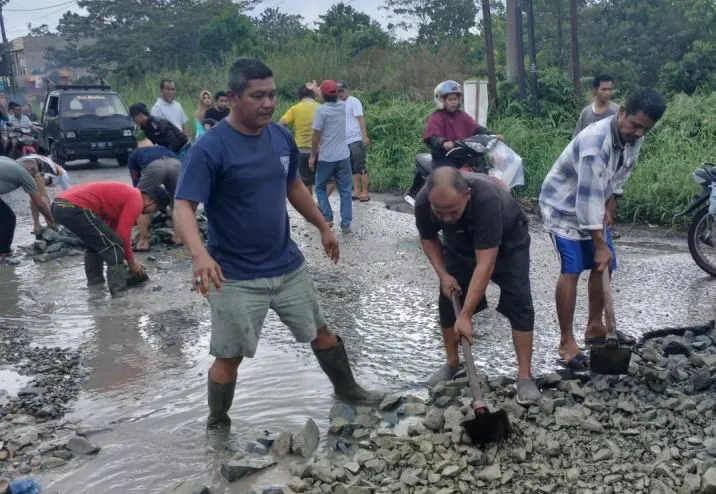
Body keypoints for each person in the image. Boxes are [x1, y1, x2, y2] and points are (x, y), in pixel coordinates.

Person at [173, 57, 384, 446]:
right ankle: (218, 421)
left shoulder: (280, 138)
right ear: (233, 98)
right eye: (258, 96)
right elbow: (183, 205)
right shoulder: (210, 148)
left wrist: (323, 226)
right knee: (229, 355)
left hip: (287, 265)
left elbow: (294, 188)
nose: (268, 103)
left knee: (321, 331)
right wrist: (199, 255)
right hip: (233, 273)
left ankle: (348, 389)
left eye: (272, 94)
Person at [539, 87, 666, 370]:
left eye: (646, 128)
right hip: (563, 206)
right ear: (622, 112)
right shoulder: (596, 143)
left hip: (594, 202)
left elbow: (620, 175)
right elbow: (586, 198)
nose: (639, 133)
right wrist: (599, 244)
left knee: (605, 265)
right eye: (635, 125)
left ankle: (595, 326)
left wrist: (610, 208)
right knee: (572, 268)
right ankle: (566, 341)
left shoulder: (634, 136)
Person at [414, 167, 540, 404]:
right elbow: (429, 238)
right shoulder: (423, 201)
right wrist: (443, 275)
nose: (446, 218)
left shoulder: (487, 199)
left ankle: (524, 375)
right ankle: (452, 363)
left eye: (453, 211)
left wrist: (466, 315)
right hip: (459, 243)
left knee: (519, 301)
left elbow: (485, 264)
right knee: (448, 298)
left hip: (509, 242)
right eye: (439, 212)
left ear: (467, 195)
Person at [52, 182, 171, 295]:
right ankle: (119, 296)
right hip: (73, 206)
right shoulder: (136, 199)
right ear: (151, 200)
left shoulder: (124, 197)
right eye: (155, 209)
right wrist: (131, 263)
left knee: (97, 244)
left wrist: (122, 259)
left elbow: (112, 233)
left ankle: (95, 289)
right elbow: (123, 236)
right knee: (114, 246)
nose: (152, 213)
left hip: (59, 205)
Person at [424, 81, 503, 169]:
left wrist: (492, 135)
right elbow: (433, 136)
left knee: (484, 168)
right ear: (442, 100)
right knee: (449, 179)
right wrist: (443, 142)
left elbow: (476, 128)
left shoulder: (462, 115)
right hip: (444, 158)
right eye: (450, 100)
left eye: (455, 99)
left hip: (463, 155)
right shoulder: (436, 117)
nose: (453, 102)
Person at [310, 80, 353, 234]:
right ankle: (346, 223)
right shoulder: (343, 106)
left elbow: (316, 135)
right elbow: (327, 94)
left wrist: (312, 155)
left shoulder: (321, 111)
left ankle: (328, 217)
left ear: (323, 95)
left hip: (326, 157)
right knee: (346, 190)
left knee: (320, 188)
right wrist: (316, 89)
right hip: (343, 156)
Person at [128, 139, 182, 251]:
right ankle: (178, 237)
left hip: (154, 166)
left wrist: (141, 197)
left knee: (139, 202)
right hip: (175, 164)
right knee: (176, 204)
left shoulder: (135, 153)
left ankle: (143, 242)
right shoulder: (162, 147)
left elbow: (135, 179)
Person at [0, 157, 57, 261]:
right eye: (35, 174)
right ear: (31, 169)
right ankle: (2, 253)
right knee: (9, 219)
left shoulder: (10, 161)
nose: (35, 177)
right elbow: (39, 203)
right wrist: (52, 221)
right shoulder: (25, 175)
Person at [279, 85, 319, 195]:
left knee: (306, 182)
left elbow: (281, 124)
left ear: (299, 96)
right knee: (324, 181)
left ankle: (310, 206)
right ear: (313, 95)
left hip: (301, 150)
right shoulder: (320, 107)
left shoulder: (295, 108)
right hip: (320, 150)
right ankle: (321, 205)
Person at [17, 154, 71, 233]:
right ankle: (46, 224)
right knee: (40, 197)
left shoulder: (57, 172)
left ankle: (40, 224)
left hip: (23, 163)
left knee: (37, 196)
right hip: (32, 164)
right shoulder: (60, 173)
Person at [337, 81, 371, 202]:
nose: (339, 93)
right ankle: (356, 190)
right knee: (351, 167)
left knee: (360, 165)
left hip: (356, 138)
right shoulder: (338, 103)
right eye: (337, 91)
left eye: (341, 90)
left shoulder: (354, 101)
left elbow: (360, 119)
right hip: (344, 140)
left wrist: (364, 136)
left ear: (347, 90)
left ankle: (365, 191)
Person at [573, 74, 620, 139]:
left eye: (610, 89)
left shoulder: (617, 111)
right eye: (604, 89)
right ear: (595, 90)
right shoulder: (586, 113)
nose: (607, 93)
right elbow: (576, 137)